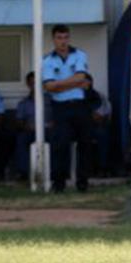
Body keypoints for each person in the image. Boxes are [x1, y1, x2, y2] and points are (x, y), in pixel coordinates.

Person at [42, 24, 94, 193]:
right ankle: (59, 183)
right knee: (61, 145)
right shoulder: (47, 60)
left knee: (84, 144)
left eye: (65, 38)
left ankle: (82, 182)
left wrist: (59, 84)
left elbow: (82, 76)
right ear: (53, 39)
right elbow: (49, 86)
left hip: (79, 105)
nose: (63, 42)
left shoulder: (80, 55)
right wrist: (73, 83)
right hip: (60, 107)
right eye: (59, 38)